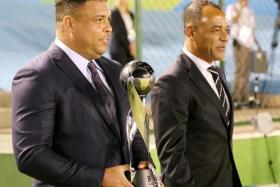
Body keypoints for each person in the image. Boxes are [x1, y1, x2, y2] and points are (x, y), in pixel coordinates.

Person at [12, 0, 148, 187]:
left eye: (108, 19)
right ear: (69, 23)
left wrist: (144, 168)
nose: (109, 28)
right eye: (99, 20)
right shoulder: (37, 76)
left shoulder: (115, 70)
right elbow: (30, 155)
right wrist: (100, 178)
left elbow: (131, 129)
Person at [151, 1, 242, 187]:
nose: (225, 37)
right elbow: (172, 159)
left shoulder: (217, 73)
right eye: (216, 30)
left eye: (227, 29)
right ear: (191, 32)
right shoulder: (172, 82)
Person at [226, 0, 255, 107]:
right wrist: (241, 8)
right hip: (239, 43)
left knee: (246, 71)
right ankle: (236, 97)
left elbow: (251, 26)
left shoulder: (249, 10)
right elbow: (232, 20)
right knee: (240, 70)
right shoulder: (232, 7)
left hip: (248, 44)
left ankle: (244, 98)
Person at [109, 0, 136, 65]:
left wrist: (133, 43)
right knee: (120, 71)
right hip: (118, 48)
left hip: (129, 47)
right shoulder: (114, 14)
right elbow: (119, 32)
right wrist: (129, 45)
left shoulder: (130, 14)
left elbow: (131, 30)